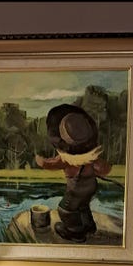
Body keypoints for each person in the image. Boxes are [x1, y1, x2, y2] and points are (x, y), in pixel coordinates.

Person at [35, 104, 111, 243]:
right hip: (91, 187)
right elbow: (105, 169)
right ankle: (89, 226)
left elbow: (49, 164)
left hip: (75, 191)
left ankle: (75, 232)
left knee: (65, 209)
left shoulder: (65, 160)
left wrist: (39, 161)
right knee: (83, 206)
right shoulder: (93, 158)